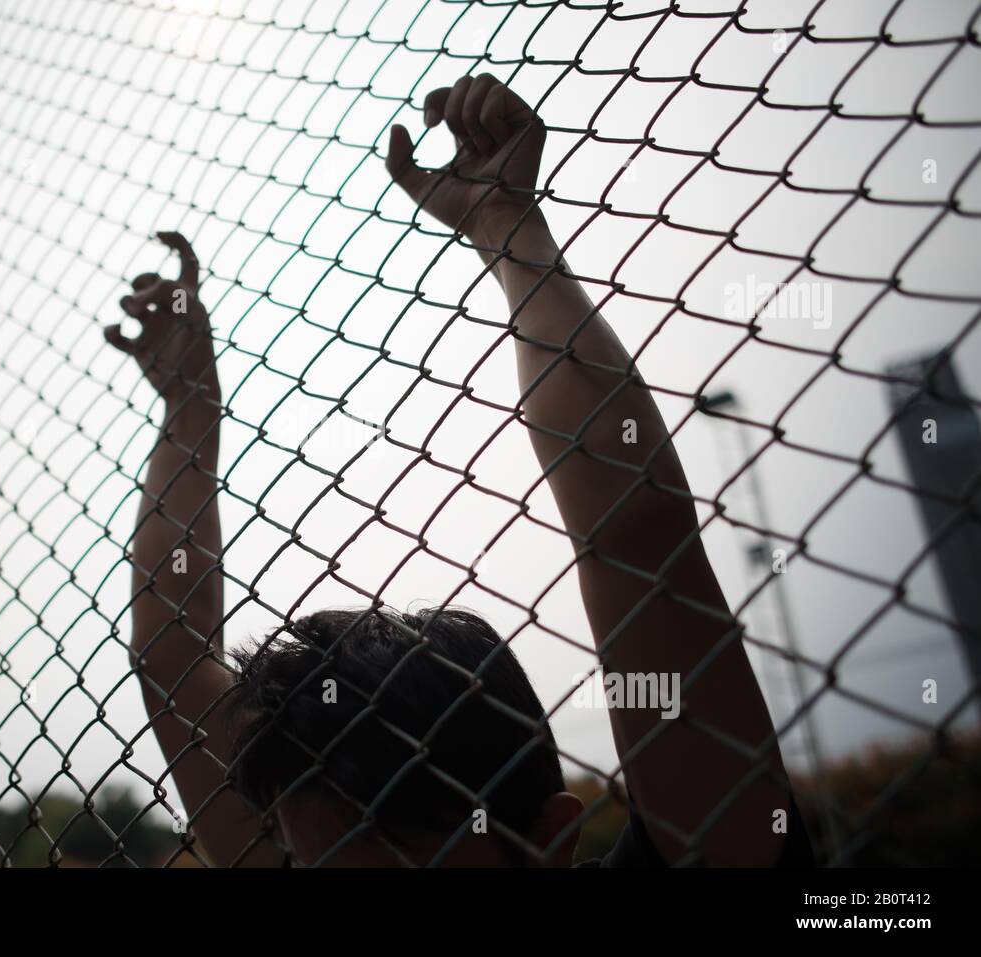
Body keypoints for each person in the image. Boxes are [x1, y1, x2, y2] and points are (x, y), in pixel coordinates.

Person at [104, 75, 812, 867]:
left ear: (550, 843)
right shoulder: (314, 831)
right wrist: (189, 411)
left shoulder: (712, 849)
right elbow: (169, 654)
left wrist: (511, 230)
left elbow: (633, 532)